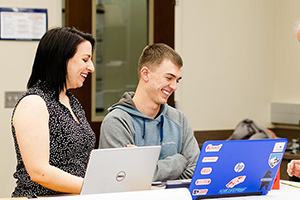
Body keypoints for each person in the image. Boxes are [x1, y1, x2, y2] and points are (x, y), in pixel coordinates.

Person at [11, 27, 96, 197]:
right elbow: (39, 172)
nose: (91, 68)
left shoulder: (72, 102)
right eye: (85, 59)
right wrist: (95, 185)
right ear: (61, 60)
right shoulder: (34, 103)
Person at [99, 43, 200, 181]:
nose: (174, 86)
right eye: (169, 78)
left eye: (177, 80)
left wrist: (146, 170)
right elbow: (126, 178)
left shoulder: (179, 119)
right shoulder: (116, 121)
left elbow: (196, 172)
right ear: (145, 74)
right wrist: (178, 161)